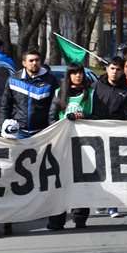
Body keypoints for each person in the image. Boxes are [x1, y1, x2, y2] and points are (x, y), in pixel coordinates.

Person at [0, 50, 59, 237]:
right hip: (19, 134)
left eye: (37, 60)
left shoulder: (49, 80)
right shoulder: (13, 80)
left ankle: (47, 214)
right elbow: (5, 107)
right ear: (23, 63)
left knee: (44, 174)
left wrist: (52, 130)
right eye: (31, 60)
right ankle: (8, 219)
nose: (35, 63)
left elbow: (54, 107)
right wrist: (2, 131)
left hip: (42, 133)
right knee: (14, 175)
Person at [46, 63, 95, 230]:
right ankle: (56, 220)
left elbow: (97, 116)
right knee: (60, 181)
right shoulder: (60, 93)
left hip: (85, 145)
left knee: (82, 181)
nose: (77, 76)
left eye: (80, 73)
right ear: (69, 76)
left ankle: (80, 217)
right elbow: (52, 117)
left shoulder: (91, 93)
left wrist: (84, 116)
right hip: (63, 143)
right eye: (74, 73)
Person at [91, 56, 127, 218]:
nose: (115, 72)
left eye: (118, 69)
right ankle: (100, 200)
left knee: (115, 170)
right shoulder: (96, 86)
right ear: (107, 69)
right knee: (99, 170)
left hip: (117, 135)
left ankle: (113, 205)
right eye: (112, 68)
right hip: (96, 134)